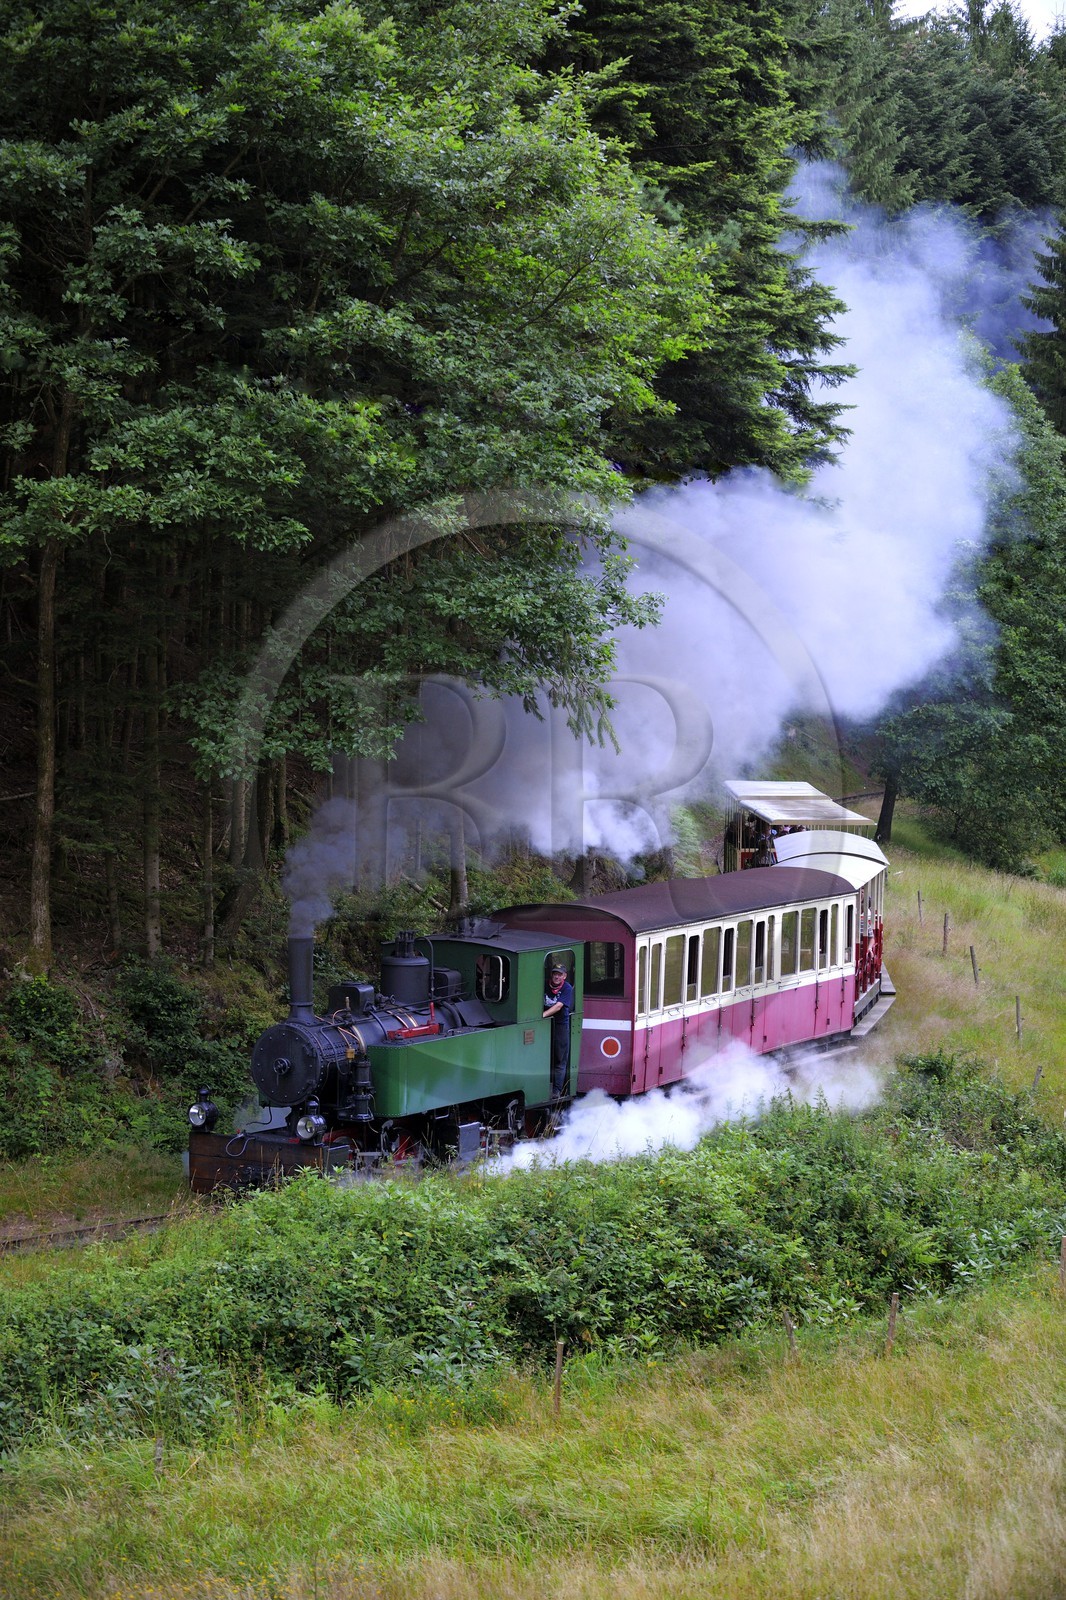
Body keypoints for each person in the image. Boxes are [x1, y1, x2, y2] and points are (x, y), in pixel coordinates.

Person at [543, 962, 574, 1098]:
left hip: (561, 1025)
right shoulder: (544, 984)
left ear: (564, 976)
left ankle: (556, 1090)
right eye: (555, 973)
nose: (556, 976)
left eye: (559, 974)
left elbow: (558, 1006)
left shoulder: (567, 988)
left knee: (559, 1058)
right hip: (544, 1025)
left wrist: (542, 1015)